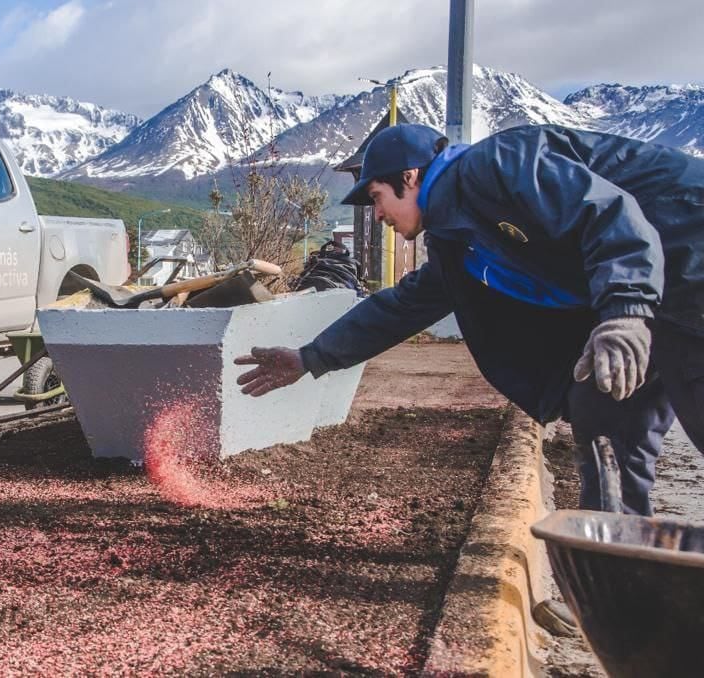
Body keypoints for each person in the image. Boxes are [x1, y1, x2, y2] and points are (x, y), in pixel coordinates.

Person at [235, 123, 704, 516]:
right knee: (604, 413)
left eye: (377, 197)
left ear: (411, 177)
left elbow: (608, 214)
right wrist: (310, 358)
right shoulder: (458, 239)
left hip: (689, 258)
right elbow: (401, 307)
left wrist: (624, 312)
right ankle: (614, 578)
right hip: (652, 291)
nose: (377, 214)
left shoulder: (496, 166)